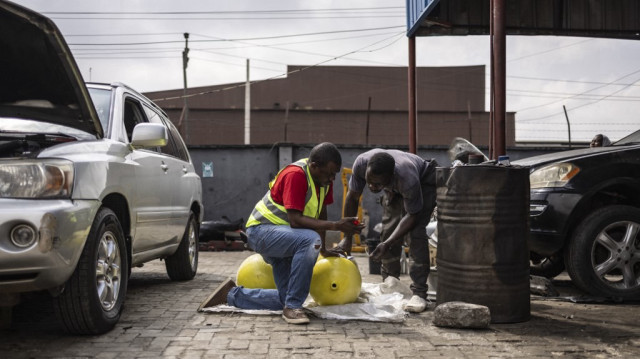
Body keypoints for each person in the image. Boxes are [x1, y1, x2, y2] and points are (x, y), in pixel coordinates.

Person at [201, 142, 362, 324]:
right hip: (261, 232)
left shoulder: (323, 180)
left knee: (286, 297)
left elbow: (321, 212)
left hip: (286, 239)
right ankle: (292, 308)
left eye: (335, 174)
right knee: (310, 241)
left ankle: (231, 295)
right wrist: (336, 226)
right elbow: (295, 219)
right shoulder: (296, 175)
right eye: (329, 173)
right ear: (314, 166)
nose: (333, 178)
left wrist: (324, 249)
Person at [337, 149, 437, 313]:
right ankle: (391, 284)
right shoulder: (361, 164)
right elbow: (353, 197)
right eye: (369, 181)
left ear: (390, 177)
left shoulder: (407, 177)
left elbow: (412, 216)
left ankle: (419, 293)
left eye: (377, 184)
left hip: (424, 180)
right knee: (388, 229)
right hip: (394, 188)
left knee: (415, 234)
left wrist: (387, 243)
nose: (371, 186)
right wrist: (347, 237)